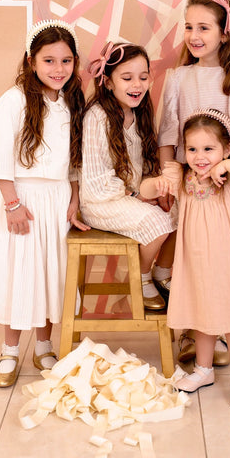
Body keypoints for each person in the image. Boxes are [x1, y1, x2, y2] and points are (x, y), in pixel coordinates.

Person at [158, 0, 230, 367]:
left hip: (225, 188)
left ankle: (222, 330)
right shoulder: (179, 78)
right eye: (189, 27)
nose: (194, 35)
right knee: (193, 259)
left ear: (225, 32)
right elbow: (168, 135)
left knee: (221, 260)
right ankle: (194, 331)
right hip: (188, 186)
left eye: (204, 27)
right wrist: (169, 177)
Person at [0, 20, 90, 388]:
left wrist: (74, 199)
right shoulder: (13, 101)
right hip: (22, 198)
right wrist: (12, 204)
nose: (58, 69)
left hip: (57, 199)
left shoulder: (72, 101)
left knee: (50, 274)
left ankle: (43, 346)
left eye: (66, 61)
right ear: (31, 61)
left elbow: (74, 160)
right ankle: (9, 351)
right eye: (49, 61)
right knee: (20, 272)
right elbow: (1, 158)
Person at [140, 109, 230, 408]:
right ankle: (203, 370)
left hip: (229, 265)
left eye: (209, 149)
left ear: (227, 149)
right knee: (202, 319)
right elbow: (144, 189)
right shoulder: (183, 176)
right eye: (192, 149)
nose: (200, 157)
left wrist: (227, 165)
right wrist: (158, 184)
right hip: (195, 264)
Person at [79, 42, 176, 311]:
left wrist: (154, 192)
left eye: (143, 77)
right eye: (127, 78)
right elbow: (96, 182)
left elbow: (146, 166)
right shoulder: (97, 117)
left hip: (133, 197)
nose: (137, 85)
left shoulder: (139, 113)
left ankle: (161, 272)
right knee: (157, 223)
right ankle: (141, 278)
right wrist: (137, 195)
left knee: (180, 211)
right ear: (109, 82)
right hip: (101, 202)